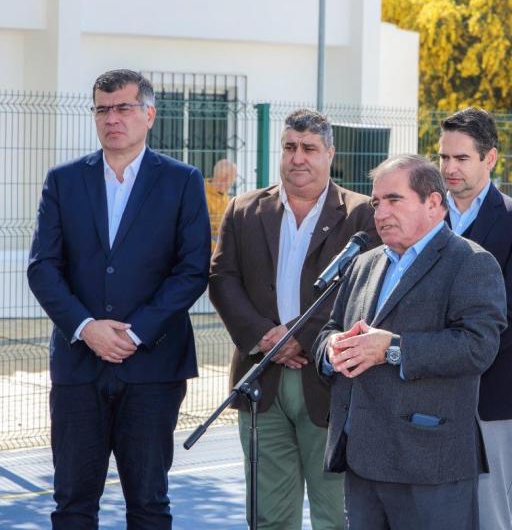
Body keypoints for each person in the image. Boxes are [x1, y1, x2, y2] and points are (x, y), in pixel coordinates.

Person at [27, 69, 210, 528]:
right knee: (72, 504)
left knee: (148, 504)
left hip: (152, 367)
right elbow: (42, 267)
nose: (113, 119)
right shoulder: (64, 181)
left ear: (149, 114)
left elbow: (192, 270)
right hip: (78, 365)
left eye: (124, 108)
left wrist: (138, 331)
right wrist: (87, 328)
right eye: (103, 110)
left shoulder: (182, 181)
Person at [315, 155, 506, 529]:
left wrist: (391, 348)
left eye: (393, 199)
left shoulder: (470, 262)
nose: (380, 212)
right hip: (363, 458)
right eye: (375, 202)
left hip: (429, 462)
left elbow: (477, 347)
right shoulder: (364, 264)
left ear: (433, 202)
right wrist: (332, 348)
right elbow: (329, 329)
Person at [208, 108, 378, 529]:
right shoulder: (243, 210)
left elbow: (364, 287)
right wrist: (265, 337)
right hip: (261, 378)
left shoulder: (361, 214)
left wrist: (304, 337)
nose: (297, 158)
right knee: (268, 515)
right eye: (289, 147)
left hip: (331, 380)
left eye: (309, 148)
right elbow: (222, 278)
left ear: (329, 154)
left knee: (336, 515)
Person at [438, 107, 512, 530]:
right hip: (422, 391)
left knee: (488, 515)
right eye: (443, 157)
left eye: (461, 158)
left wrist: (438, 352)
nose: (449, 168)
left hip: (493, 392)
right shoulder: (423, 216)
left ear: (490, 159)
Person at [205, 158, 237, 253]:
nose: (232, 182)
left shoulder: (225, 197)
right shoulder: (203, 196)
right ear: (226, 178)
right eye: (233, 178)